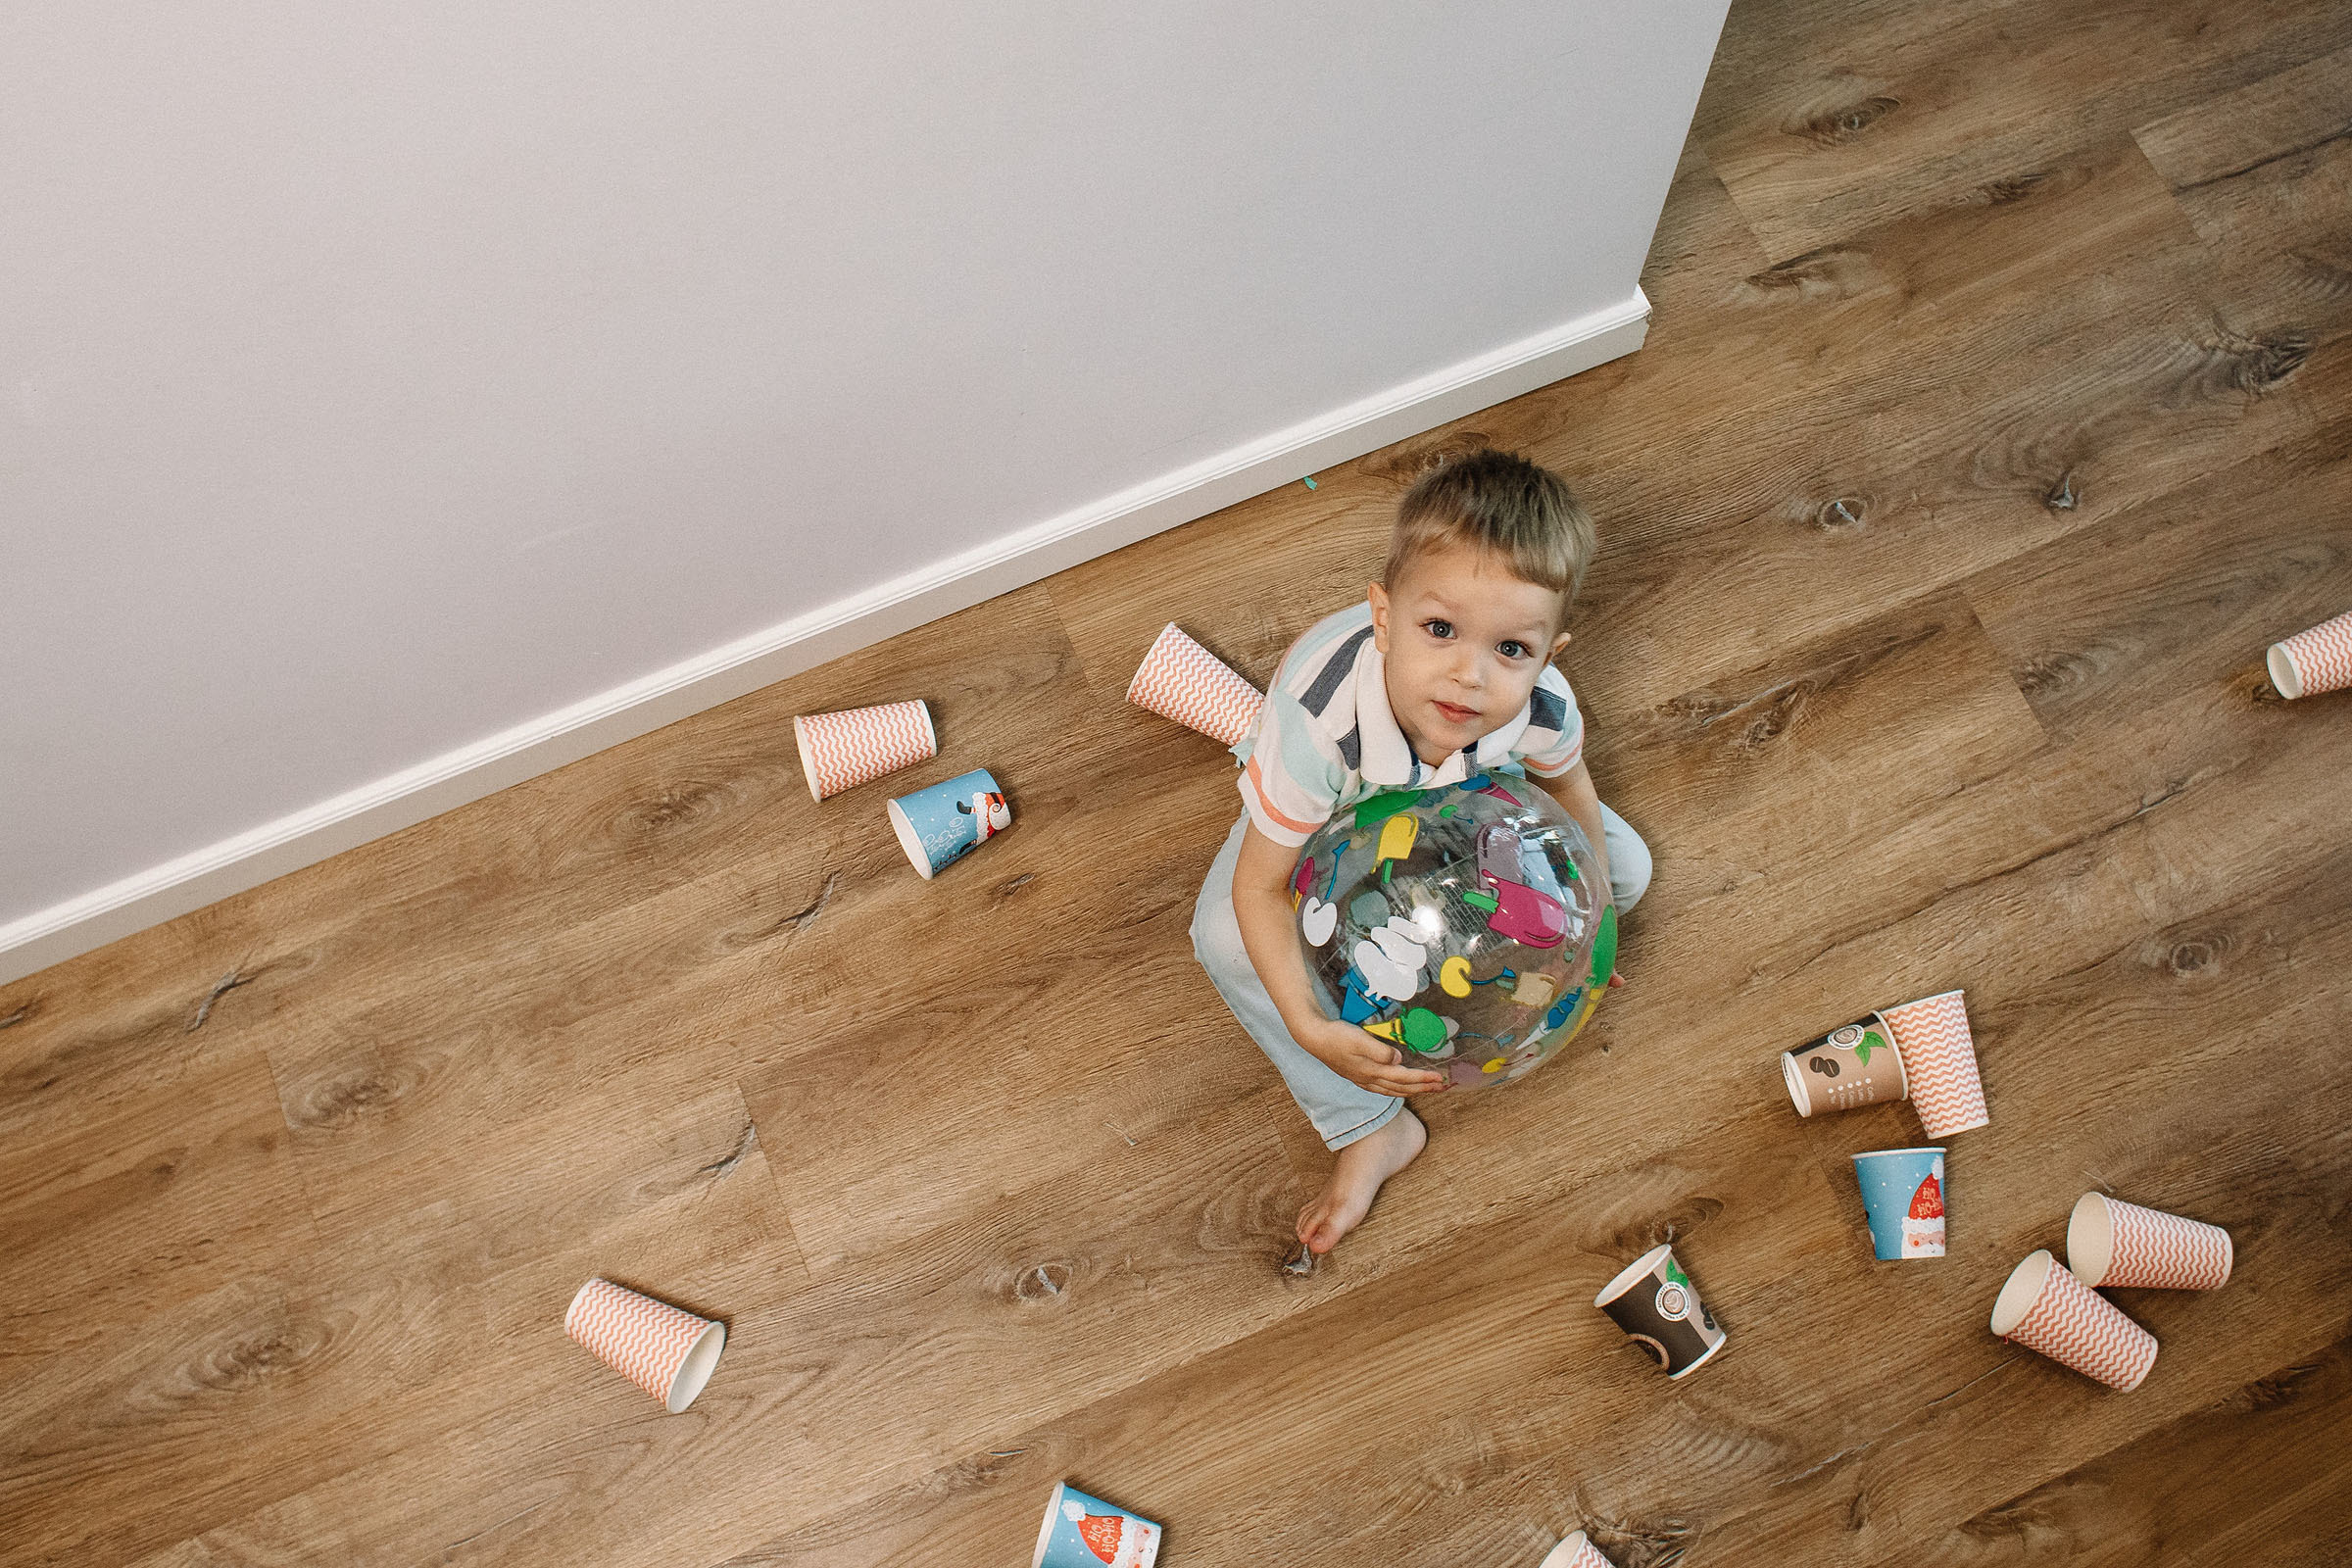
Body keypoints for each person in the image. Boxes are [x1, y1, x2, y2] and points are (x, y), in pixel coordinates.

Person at [1189, 448, 1652, 1258]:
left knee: (1631, 871)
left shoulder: (1538, 707)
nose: (1468, 677)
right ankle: (1366, 1127)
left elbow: (1572, 787)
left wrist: (1596, 917)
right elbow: (1259, 886)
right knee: (1224, 938)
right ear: (1382, 617)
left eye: (1510, 649)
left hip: (1478, 794)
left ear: (1550, 653)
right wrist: (1307, 1024)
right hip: (1345, 800)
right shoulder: (1320, 727)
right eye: (1438, 630)